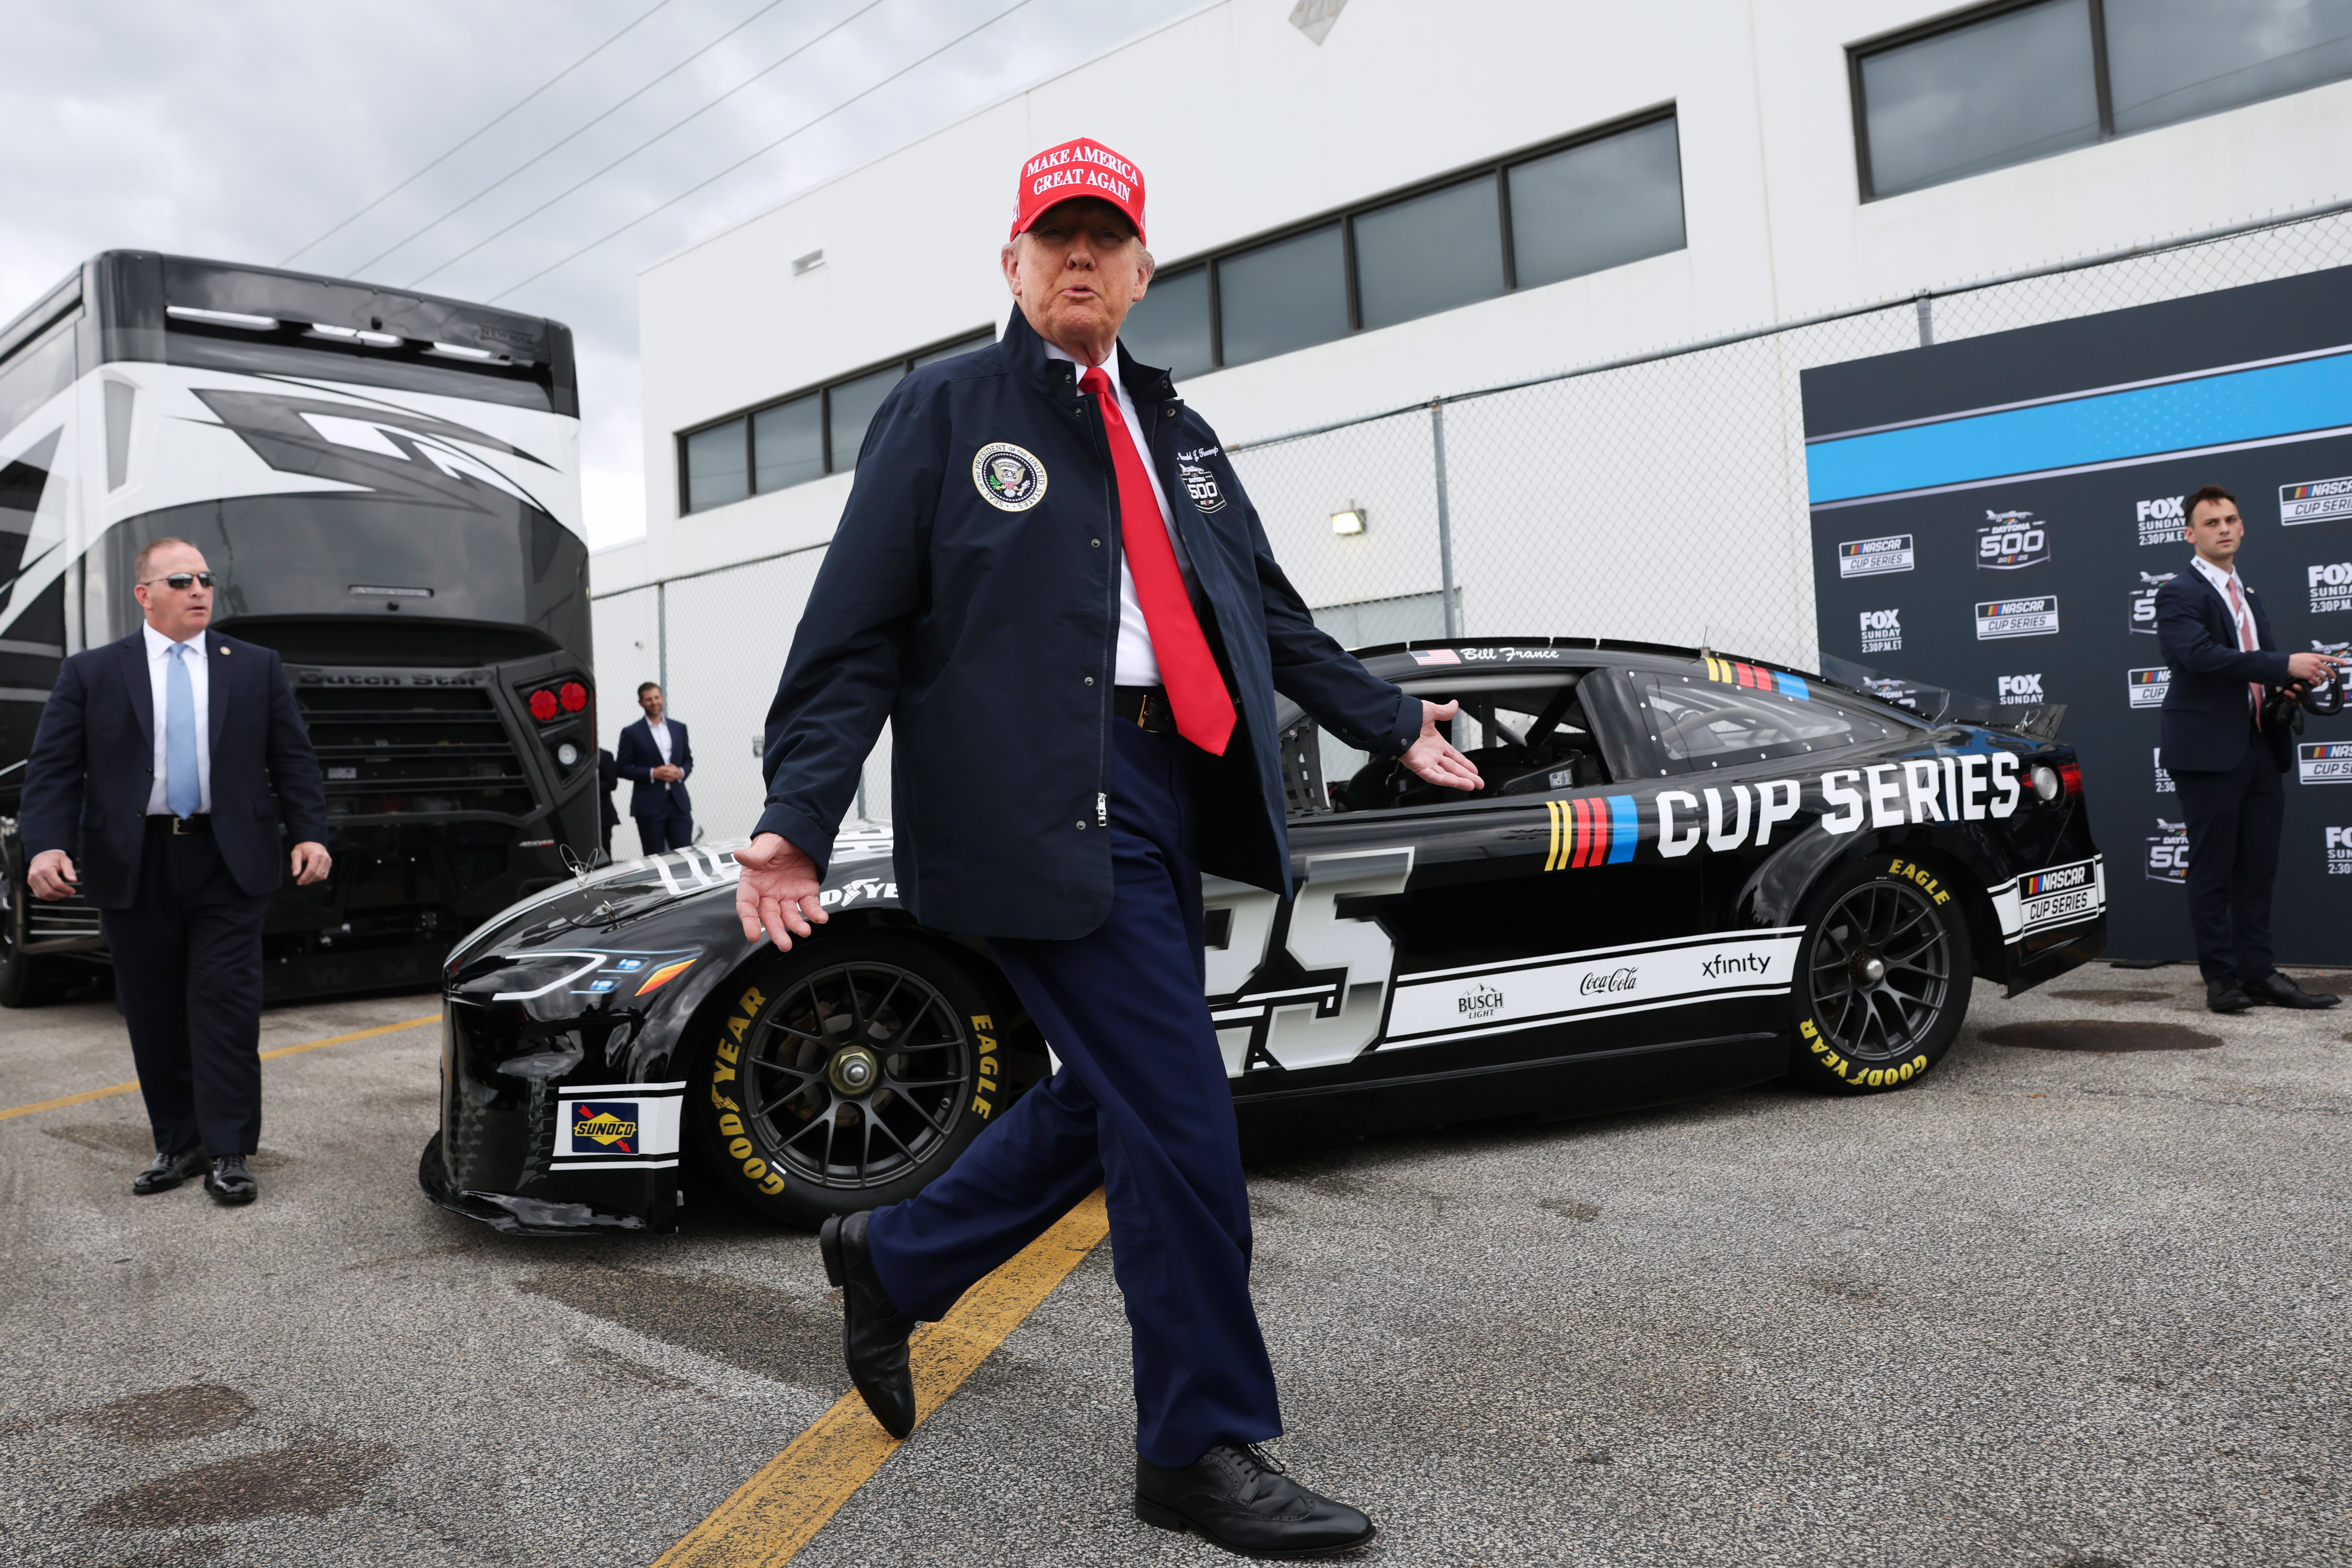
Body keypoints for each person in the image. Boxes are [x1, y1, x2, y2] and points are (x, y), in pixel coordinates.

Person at [735, 137, 1481, 1558]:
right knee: (1184, 1116)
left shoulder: (1179, 437)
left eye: (1105, 239)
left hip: (1165, 788)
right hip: (1037, 798)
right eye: (1053, 238)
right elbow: (855, 632)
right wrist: (796, 821)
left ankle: (891, 1258)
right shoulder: (947, 409)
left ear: (1142, 267)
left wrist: (1386, 724)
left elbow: (1270, 615)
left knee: (1123, 1100)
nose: (1079, 260)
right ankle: (1195, 1447)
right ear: (1011, 264)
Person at [20, 538, 331, 1204]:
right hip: (134, 860)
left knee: (224, 1007)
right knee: (153, 1010)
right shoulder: (92, 673)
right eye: (182, 579)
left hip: (227, 857)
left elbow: (294, 759)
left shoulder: (254, 667)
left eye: (206, 579)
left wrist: (310, 833)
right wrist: (44, 846)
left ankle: (228, 1150)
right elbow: (52, 771)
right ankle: (178, 1142)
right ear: (145, 594)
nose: (199, 590)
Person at [2155, 484, 2344, 1014]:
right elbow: (2197, 657)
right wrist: (2281, 664)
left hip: (2261, 744)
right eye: (2210, 522)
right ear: (2190, 535)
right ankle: (2220, 981)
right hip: (2207, 752)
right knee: (2213, 871)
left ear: (2241, 528)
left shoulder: (2248, 595)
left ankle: (2258, 973)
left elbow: (2249, 670)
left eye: (2230, 520)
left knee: (2257, 869)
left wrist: (2284, 689)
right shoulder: (2177, 593)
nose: (2222, 529)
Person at [615, 682, 694, 854]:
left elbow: (688, 760)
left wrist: (680, 772)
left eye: (657, 697)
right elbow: (621, 768)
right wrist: (652, 773)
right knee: (654, 859)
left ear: (662, 698)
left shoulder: (679, 728)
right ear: (641, 703)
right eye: (649, 699)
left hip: (678, 804)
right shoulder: (631, 732)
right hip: (649, 806)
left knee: (686, 857)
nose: (654, 702)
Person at [597, 745, 620, 860]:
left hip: (602, 816)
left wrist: (589, 787)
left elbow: (612, 783)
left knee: (604, 853)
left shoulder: (603, 755)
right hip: (579, 816)